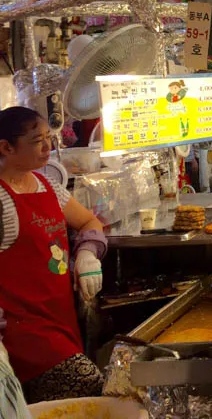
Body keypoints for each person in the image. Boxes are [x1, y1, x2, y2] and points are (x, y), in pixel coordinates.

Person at [0, 107, 107, 403]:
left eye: (49, 137)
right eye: (37, 140)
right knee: (90, 389)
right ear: (6, 147)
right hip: (22, 336)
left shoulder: (49, 186)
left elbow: (89, 222)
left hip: (59, 320)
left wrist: (87, 254)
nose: (48, 147)